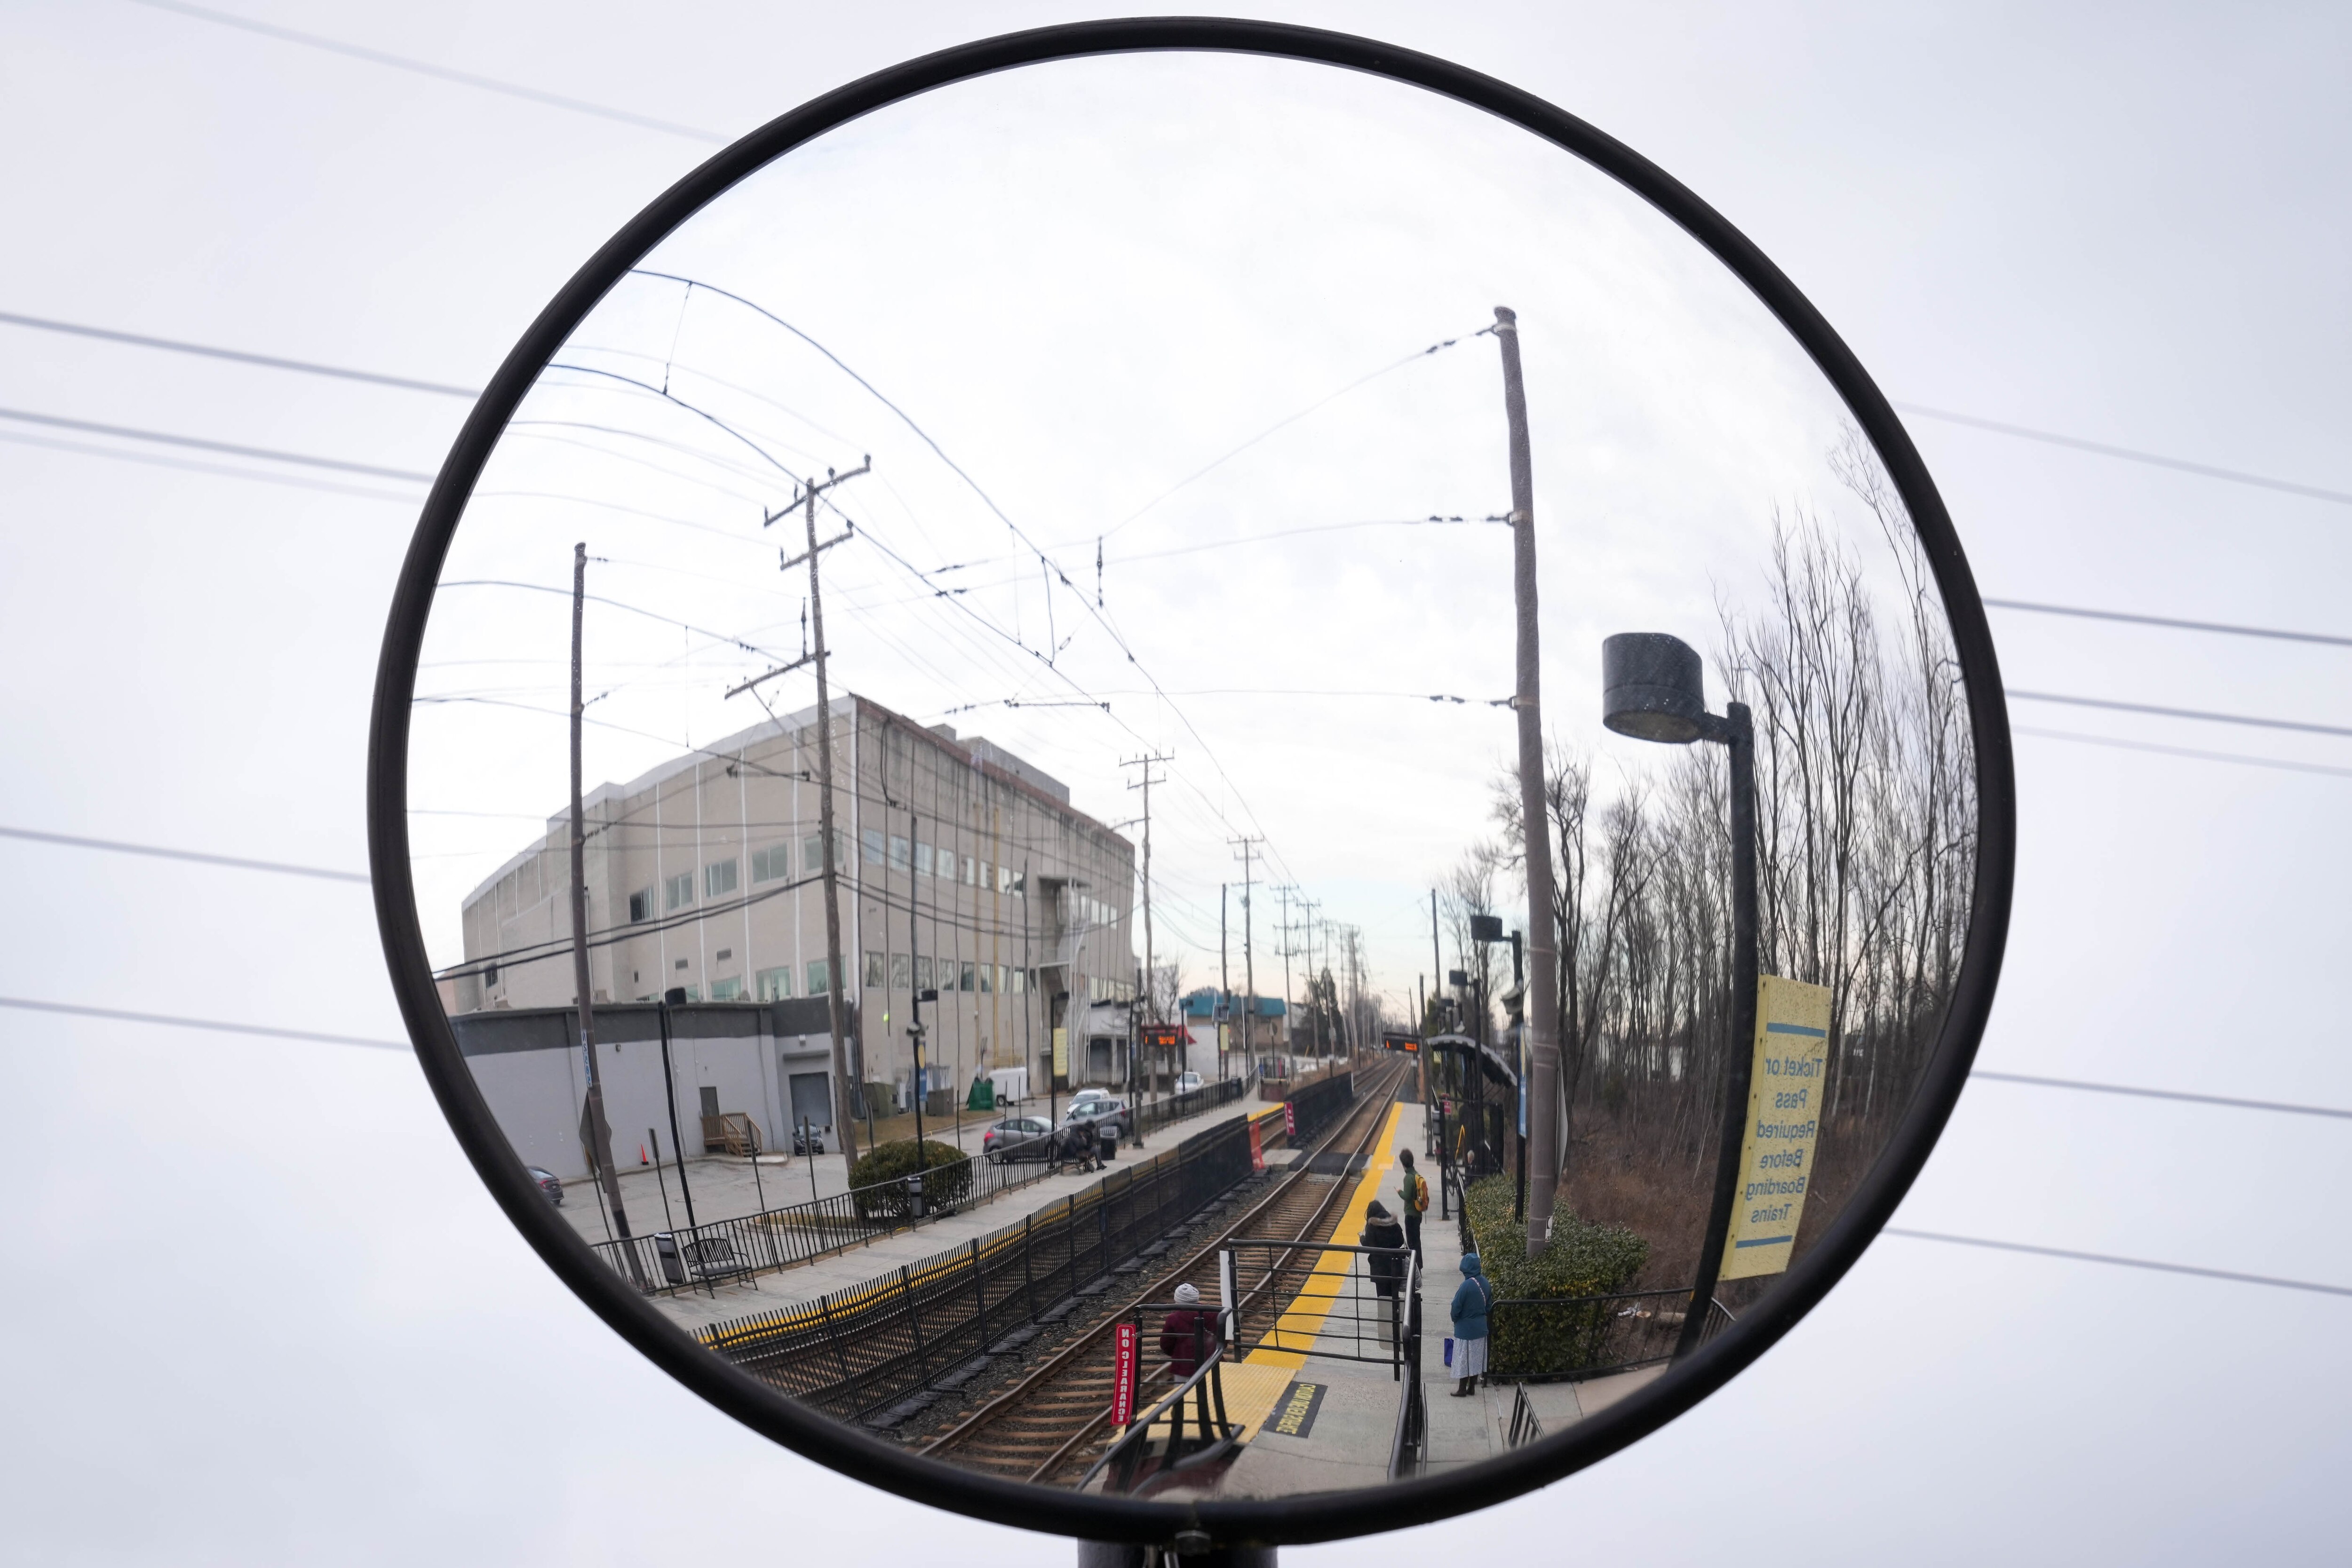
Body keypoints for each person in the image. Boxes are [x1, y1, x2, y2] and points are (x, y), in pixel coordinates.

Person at [1449, 1251, 1493, 1397]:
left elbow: (1456, 1307)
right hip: (1480, 1328)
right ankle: (1472, 1387)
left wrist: (1455, 1319)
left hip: (1465, 1329)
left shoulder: (1466, 1286)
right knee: (1475, 1359)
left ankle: (1462, 1388)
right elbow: (1489, 1306)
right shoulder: (1486, 1283)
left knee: (1463, 1360)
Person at [1161, 1281, 1211, 1381]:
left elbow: (1166, 1344)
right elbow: (1223, 1339)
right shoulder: (1213, 1313)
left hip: (1184, 1366)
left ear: (1177, 1299)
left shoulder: (1173, 1318)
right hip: (1210, 1363)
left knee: (1183, 1394)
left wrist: (1177, 1354)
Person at [1396, 1148, 1429, 1260]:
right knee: (1417, 1242)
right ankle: (1419, 1266)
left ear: (1403, 1164)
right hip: (1418, 1214)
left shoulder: (1408, 1178)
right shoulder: (1416, 1175)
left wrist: (1399, 1191)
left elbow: (1408, 1197)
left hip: (1411, 1214)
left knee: (1412, 1244)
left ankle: (1414, 1268)